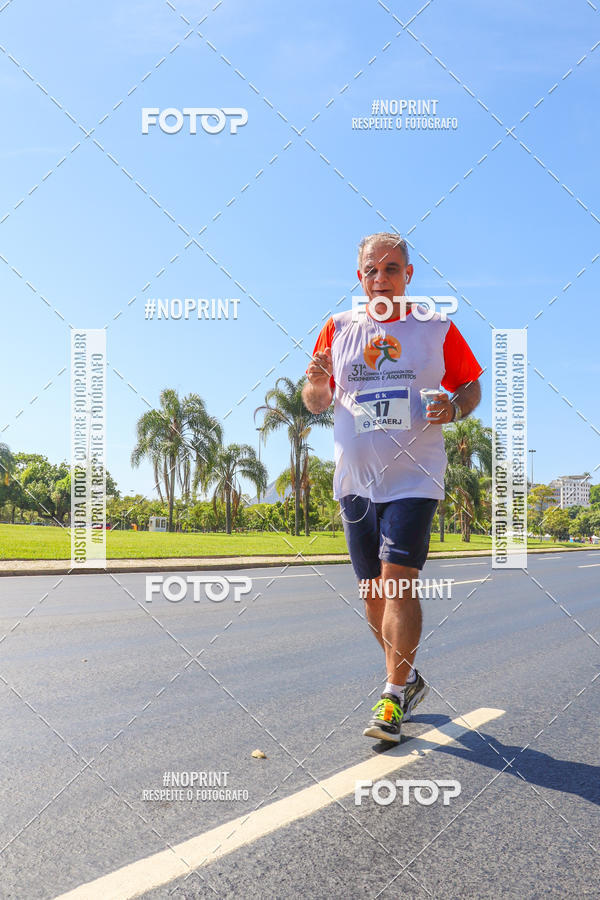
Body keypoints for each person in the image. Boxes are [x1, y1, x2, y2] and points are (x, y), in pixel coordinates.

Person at [302, 232, 483, 742]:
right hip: (355, 481)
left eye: (391, 269)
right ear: (359, 276)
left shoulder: (435, 327)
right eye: (371, 270)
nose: (380, 279)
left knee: (397, 579)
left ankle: (392, 695)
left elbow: (470, 386)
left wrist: (454, 407)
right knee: (372, 593)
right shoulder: (337, 328)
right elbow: (316, 401)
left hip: (414, 477)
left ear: (408, 274)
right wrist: (316, 382)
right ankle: (406, 677)